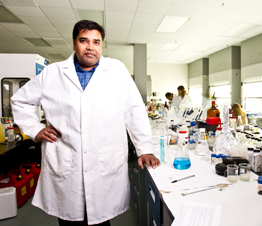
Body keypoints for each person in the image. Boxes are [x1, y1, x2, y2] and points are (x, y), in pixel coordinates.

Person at [10, 20, 160, 226]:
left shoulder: (116, 70)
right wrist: (36, 129)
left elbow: (134, 110)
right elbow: (19, 100)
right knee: (69, 221)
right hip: (66, 162)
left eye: (96, 42)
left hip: (104, 162)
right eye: (84, 41)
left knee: (100, 220)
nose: (90, 47)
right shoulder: (53, 73)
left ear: (101, 45)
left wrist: (144, 148)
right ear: (74, 44)